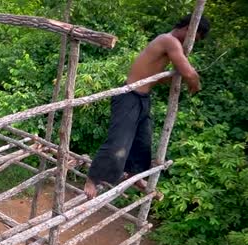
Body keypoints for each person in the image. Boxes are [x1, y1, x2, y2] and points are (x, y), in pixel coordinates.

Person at [84, 15, 210, 199]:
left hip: (142, 98)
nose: (191, 42)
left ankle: (135, 174)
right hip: (129, 97)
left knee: (143, 142)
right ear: (188, 28)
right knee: (118, 142)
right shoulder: (169, 40)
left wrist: (178, 76)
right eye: (194, 37)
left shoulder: (170, 45)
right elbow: (190, 73)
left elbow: (161, 76)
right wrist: (194, 84)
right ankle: (92, 178)